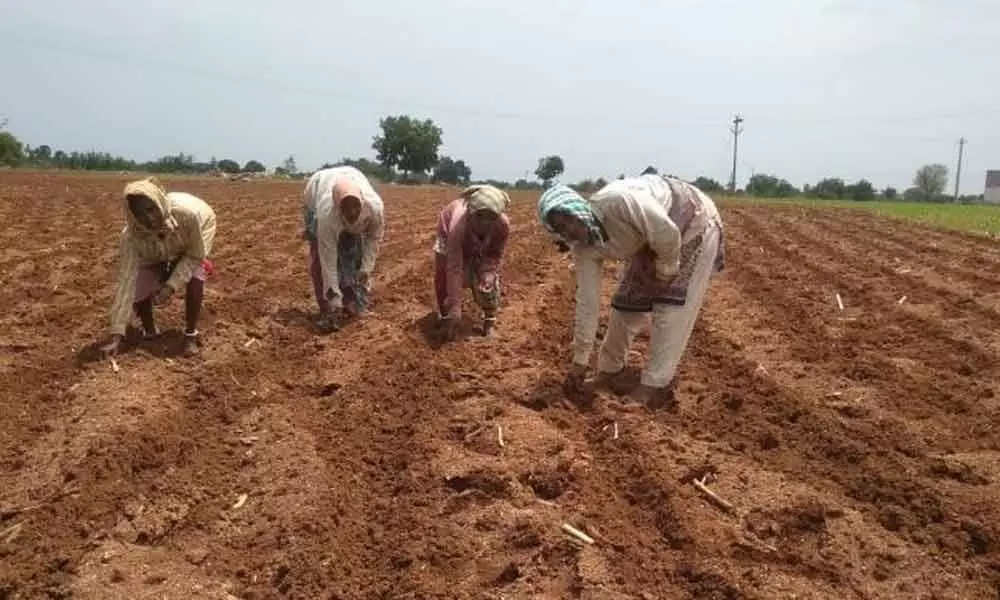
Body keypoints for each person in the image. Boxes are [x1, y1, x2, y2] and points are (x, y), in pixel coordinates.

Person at [537, 174, 725, 409]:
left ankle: (653, 386)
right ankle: (608, 372)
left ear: (578, 207)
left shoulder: (618, 202)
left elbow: (666, 232)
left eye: (569, 218)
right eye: (560, 227)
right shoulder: (582, 248)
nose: (570, 229)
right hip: (648, 239)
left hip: (689, 221)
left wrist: (665, 272)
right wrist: (580, 361)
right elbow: (588, 304)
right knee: (626, 303)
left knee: (671, 306)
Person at [102, 178, 217, 358]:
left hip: (198, 227)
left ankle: (190, 334)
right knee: (139, 282)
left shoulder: (188, 217)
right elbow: (127, 281)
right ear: (132, 215)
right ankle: (150, 330)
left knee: (195, 274)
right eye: (140, 213)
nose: (148, 218)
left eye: (151, 209)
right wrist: (117, 334)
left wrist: (170, 286)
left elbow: (194, 255)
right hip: (156, 247)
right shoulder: (132, 237)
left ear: (160, 203)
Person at [302, 165, 384, 332]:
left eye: (356, 207)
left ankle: (353, 303)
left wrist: (366, 268)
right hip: (316, 190)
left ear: (362, 202)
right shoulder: (327, 214)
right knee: (319, 259)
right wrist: (334, 300)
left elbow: (373, 238)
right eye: (346, 209)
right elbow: (328, 262)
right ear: (339, 208)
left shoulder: (375, 208)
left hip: (352, 175)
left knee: (354, 254)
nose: (352, 212)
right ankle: (328, 308)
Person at [433, 184, 511, 341]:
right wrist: (455, 307)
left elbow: (494, 255)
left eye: (491, 217)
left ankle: (489, 322)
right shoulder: (458, 226)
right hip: (449, 235)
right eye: (480, 216)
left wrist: (487, 273)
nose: (485, 222)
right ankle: (446, 316)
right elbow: (454, 267)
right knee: (443, 274)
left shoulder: (502, 225)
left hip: (479, 245)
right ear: (471, 212)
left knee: (487, 281)